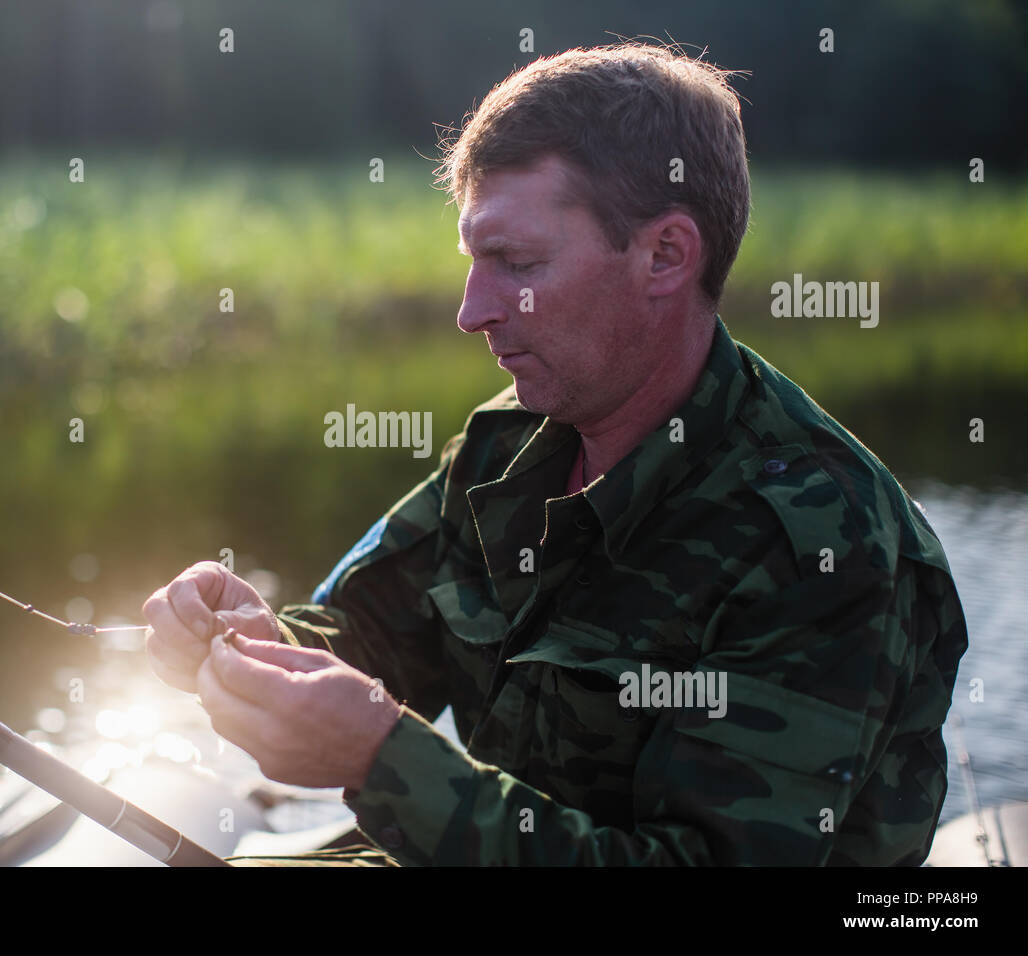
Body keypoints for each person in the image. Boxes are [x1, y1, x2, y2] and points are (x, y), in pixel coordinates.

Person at [142, 42, 969, 865]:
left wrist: (383, 761)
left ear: (665, 255)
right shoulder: (506, 445)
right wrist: (247, 642)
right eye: (473, 262)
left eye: (516, 263)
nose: (472, 312)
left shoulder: (824, 542)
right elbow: (366, 637)